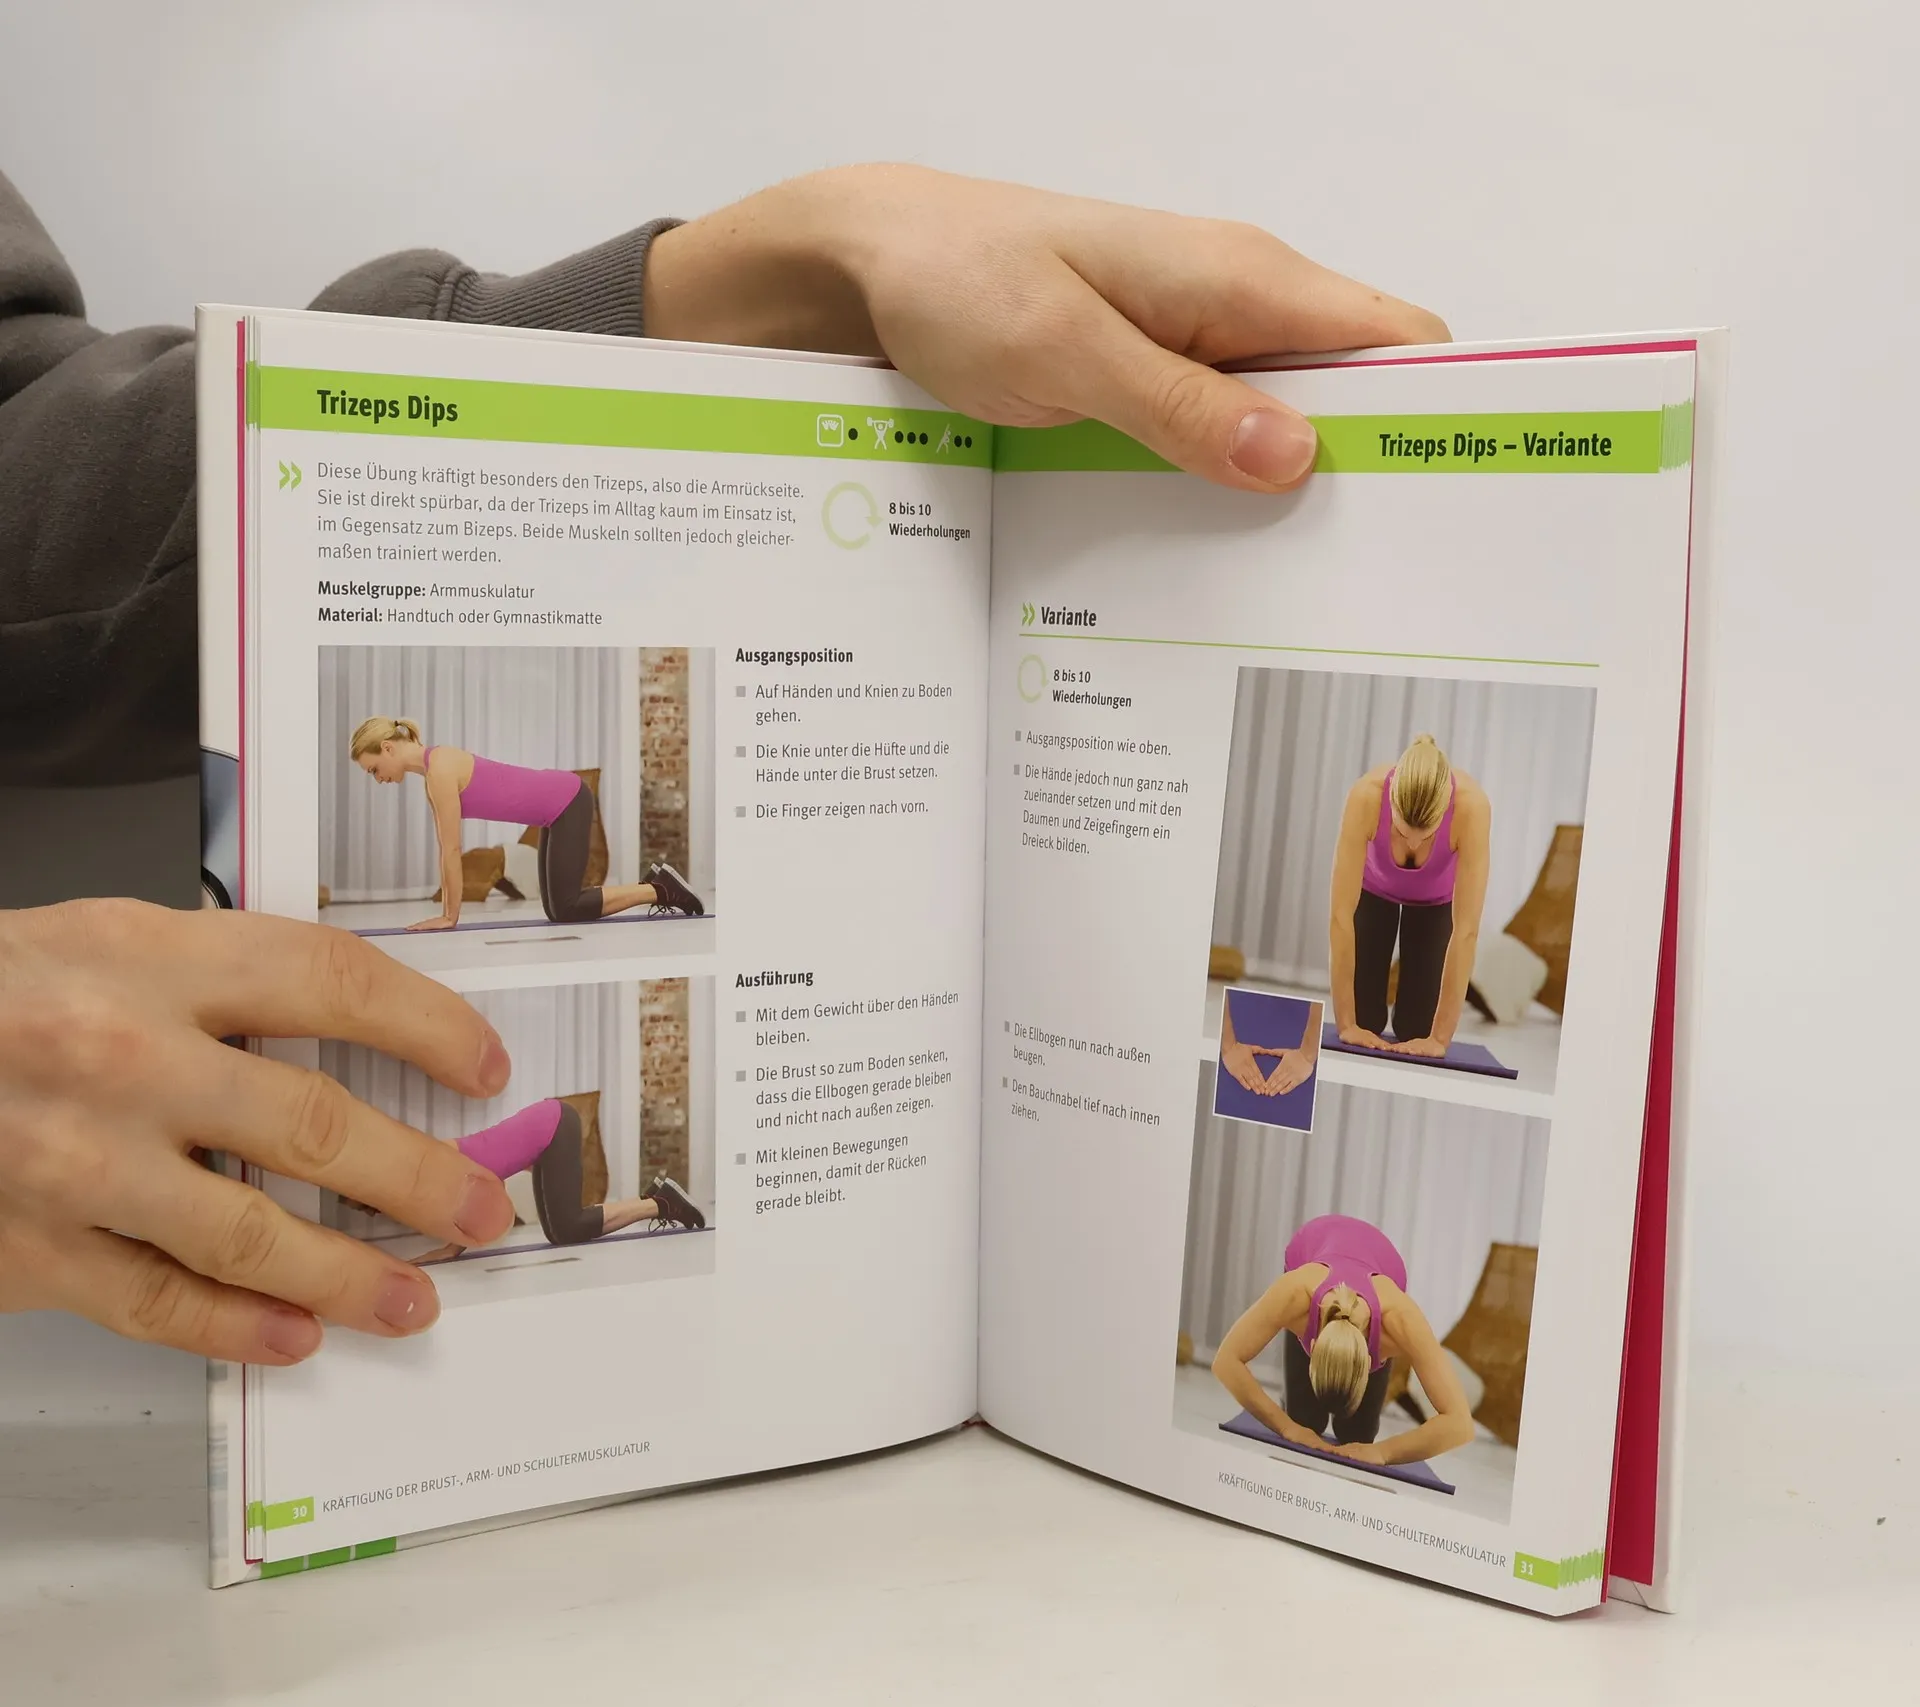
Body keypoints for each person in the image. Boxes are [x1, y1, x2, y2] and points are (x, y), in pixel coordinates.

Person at [0, 161, 1448, 1367]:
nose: (379, 774)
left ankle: (659, 906)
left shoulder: (437, 775)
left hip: (568, 824)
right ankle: (663, 933)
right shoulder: (438, 780)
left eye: (372, 759)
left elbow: (37, 485)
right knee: (584, 1004)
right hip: (562, 847)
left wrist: (793, 264)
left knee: (584, 938)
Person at [348, 718, 704, 930]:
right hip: (554, 808)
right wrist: (448, 914)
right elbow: (448, 848)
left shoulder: (439, 770)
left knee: (566, 907)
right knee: (559, 911)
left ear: (388, 748)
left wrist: (448, 917)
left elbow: (451, 850)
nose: (377, 778)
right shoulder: (434, 770)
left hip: (567, 799)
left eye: (373, 769)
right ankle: (658, 884)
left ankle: (659, 889)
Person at [1210, 1213, 1473, 1465]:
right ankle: (1294, 1407)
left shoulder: (1400, 1322)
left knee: (1357, 1435)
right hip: (1317, 1240)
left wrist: (1384, 1452)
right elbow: (1226, 1361)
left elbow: (1460, 1423)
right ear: (1312, 1347)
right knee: (1304, 1421)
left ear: (1370, 1361)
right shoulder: (1295, 1297)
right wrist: (1286, 1427)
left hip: (1382, 1258)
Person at [1327, 734, 1490, 1058]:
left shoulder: (1472, 807)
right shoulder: (1366, 796)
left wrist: (1439, 1040)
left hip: (1436, 901)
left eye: (1426, 835)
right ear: (1391, 803)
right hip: (1375, 890)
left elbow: (1466, 931)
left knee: (1416, 1030)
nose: (1414, 844)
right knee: (1365, 1022)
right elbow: (1340, 916)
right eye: (1403, 832)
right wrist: (1346, 1025)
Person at [405, 1098, 704, 1264]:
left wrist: (450, 1250)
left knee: (569, 1226)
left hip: (554, 1124)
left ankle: (660, 1203)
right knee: (560, 1234)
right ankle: (654, 1198)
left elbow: (486, 1196)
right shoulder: (434, 1162)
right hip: (546, 1131)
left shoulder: (437, 1160)